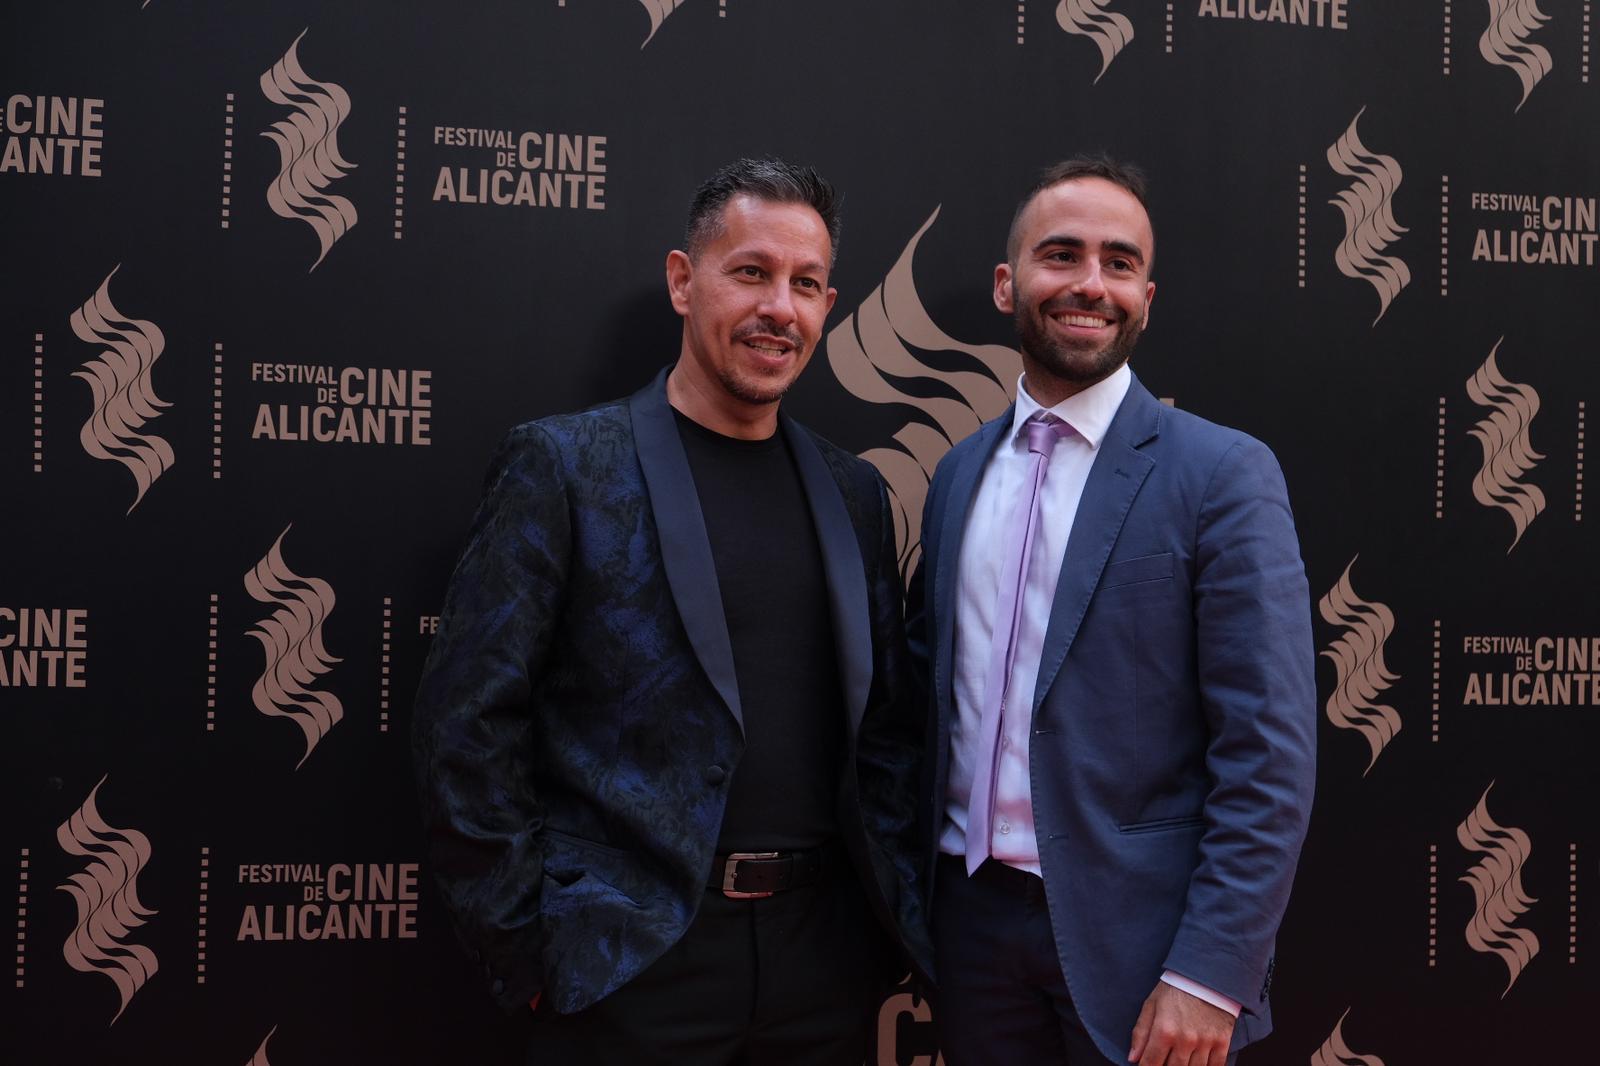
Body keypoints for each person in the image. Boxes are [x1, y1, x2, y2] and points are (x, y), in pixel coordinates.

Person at [412, 157, 931, 1065]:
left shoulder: (855, 492)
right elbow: (465, 726)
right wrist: (529, 948)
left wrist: (884, 923)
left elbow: (887, 730)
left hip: (824, 969)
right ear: (683, 282)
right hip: (627, 965)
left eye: (806, 284)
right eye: (751, 272)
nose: (781, 307)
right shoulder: (564, 468)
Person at [906, 156, 1316, 1066]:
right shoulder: (958, 476)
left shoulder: (1220, 474)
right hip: (969, 934)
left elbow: (1270, 752)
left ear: (1147, 294)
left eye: (1119, 262)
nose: (1092, 283)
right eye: (1062, 255)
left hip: (1145, 950)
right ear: (1010, 284)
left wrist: (1213, 973)